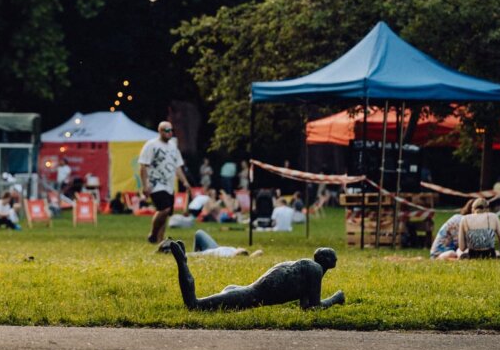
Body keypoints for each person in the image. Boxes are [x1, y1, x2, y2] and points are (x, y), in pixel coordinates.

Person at [164, 240, 346, 312]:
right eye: (334, 256)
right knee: (194, 305)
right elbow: (314, 307)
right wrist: (336, 298)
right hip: (255, 294)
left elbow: (305, 307)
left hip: (251, 289)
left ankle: (225, 295)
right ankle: (182, 263)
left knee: (229, 297)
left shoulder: (310, 268)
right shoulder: (314, 271)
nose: (337, 258)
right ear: (330, 261)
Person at [139, 121, 190, 245]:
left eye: (171, 130)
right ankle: (153, 233)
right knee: (164, 209)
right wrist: (145, 185)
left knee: (166, 213)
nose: (170, 133)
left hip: (169, 185)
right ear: (160, 131)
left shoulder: (173, 146)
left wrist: (185, 181)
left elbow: (178, 167)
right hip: (155, 183)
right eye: (167, 130)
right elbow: (143, 165)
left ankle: (160, 241)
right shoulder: (151, 145)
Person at [159, 232, 263, 259]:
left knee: (181, 254)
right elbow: (260, 252)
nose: (242, 248)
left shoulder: (227, 257)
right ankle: (165, 247)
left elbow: (259, 253)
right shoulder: (235, 252)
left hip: (209, 252)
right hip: (215, 247)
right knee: (199, 233)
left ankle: (163, 250)